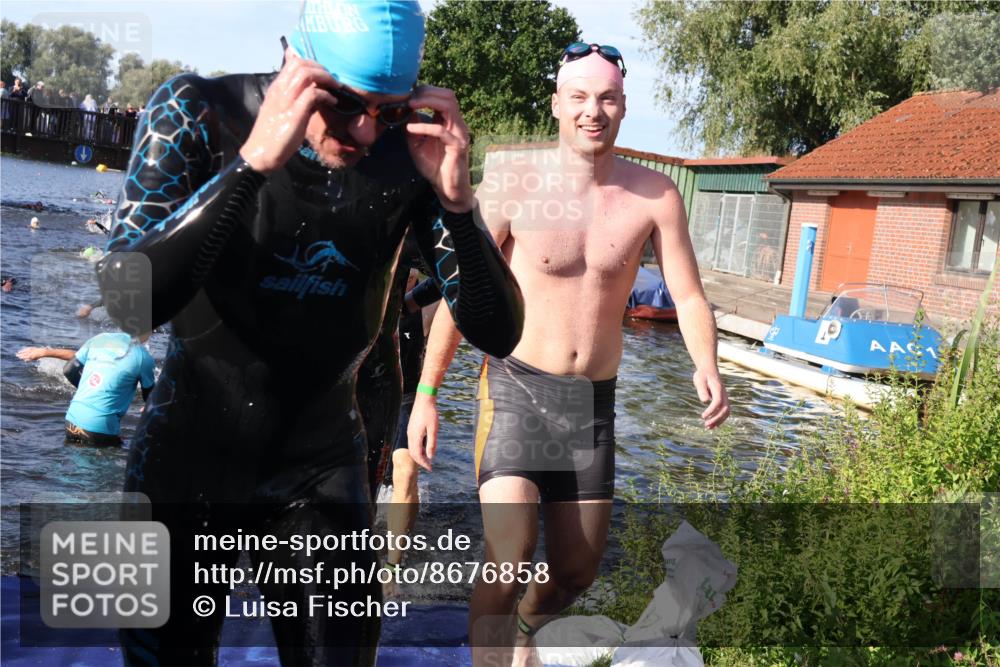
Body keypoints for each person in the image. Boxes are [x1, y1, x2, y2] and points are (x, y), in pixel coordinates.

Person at [95, 0, 523, 664]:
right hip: (185, 457)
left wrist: (459, 206)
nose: (362, 130)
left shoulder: (408, 153)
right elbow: (128, 303)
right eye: (343, 102)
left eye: (388, 109)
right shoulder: (197, 111)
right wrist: (251, 167)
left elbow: (498, 333)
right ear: (294, 57)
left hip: (320, 465)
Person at [407, 42, 730, 667]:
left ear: (624, 107)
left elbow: (688, 296)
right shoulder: (514, 183)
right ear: (557, 105)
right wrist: (426, 394)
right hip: (517, 387)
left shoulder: (654, 195)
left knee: (577, 573)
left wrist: (705, 362)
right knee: (507, 556)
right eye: (579, 97)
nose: (593, 111)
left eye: (607, 98)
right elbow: (460, 298)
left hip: (590, 405)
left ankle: (526, 631)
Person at [16, 332, 155, 447]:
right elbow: (151, 397)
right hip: (100, 428)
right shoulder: (143, 357)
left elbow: (70, 368)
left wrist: (44, 352)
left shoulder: (100, 339)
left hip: (72, 419)